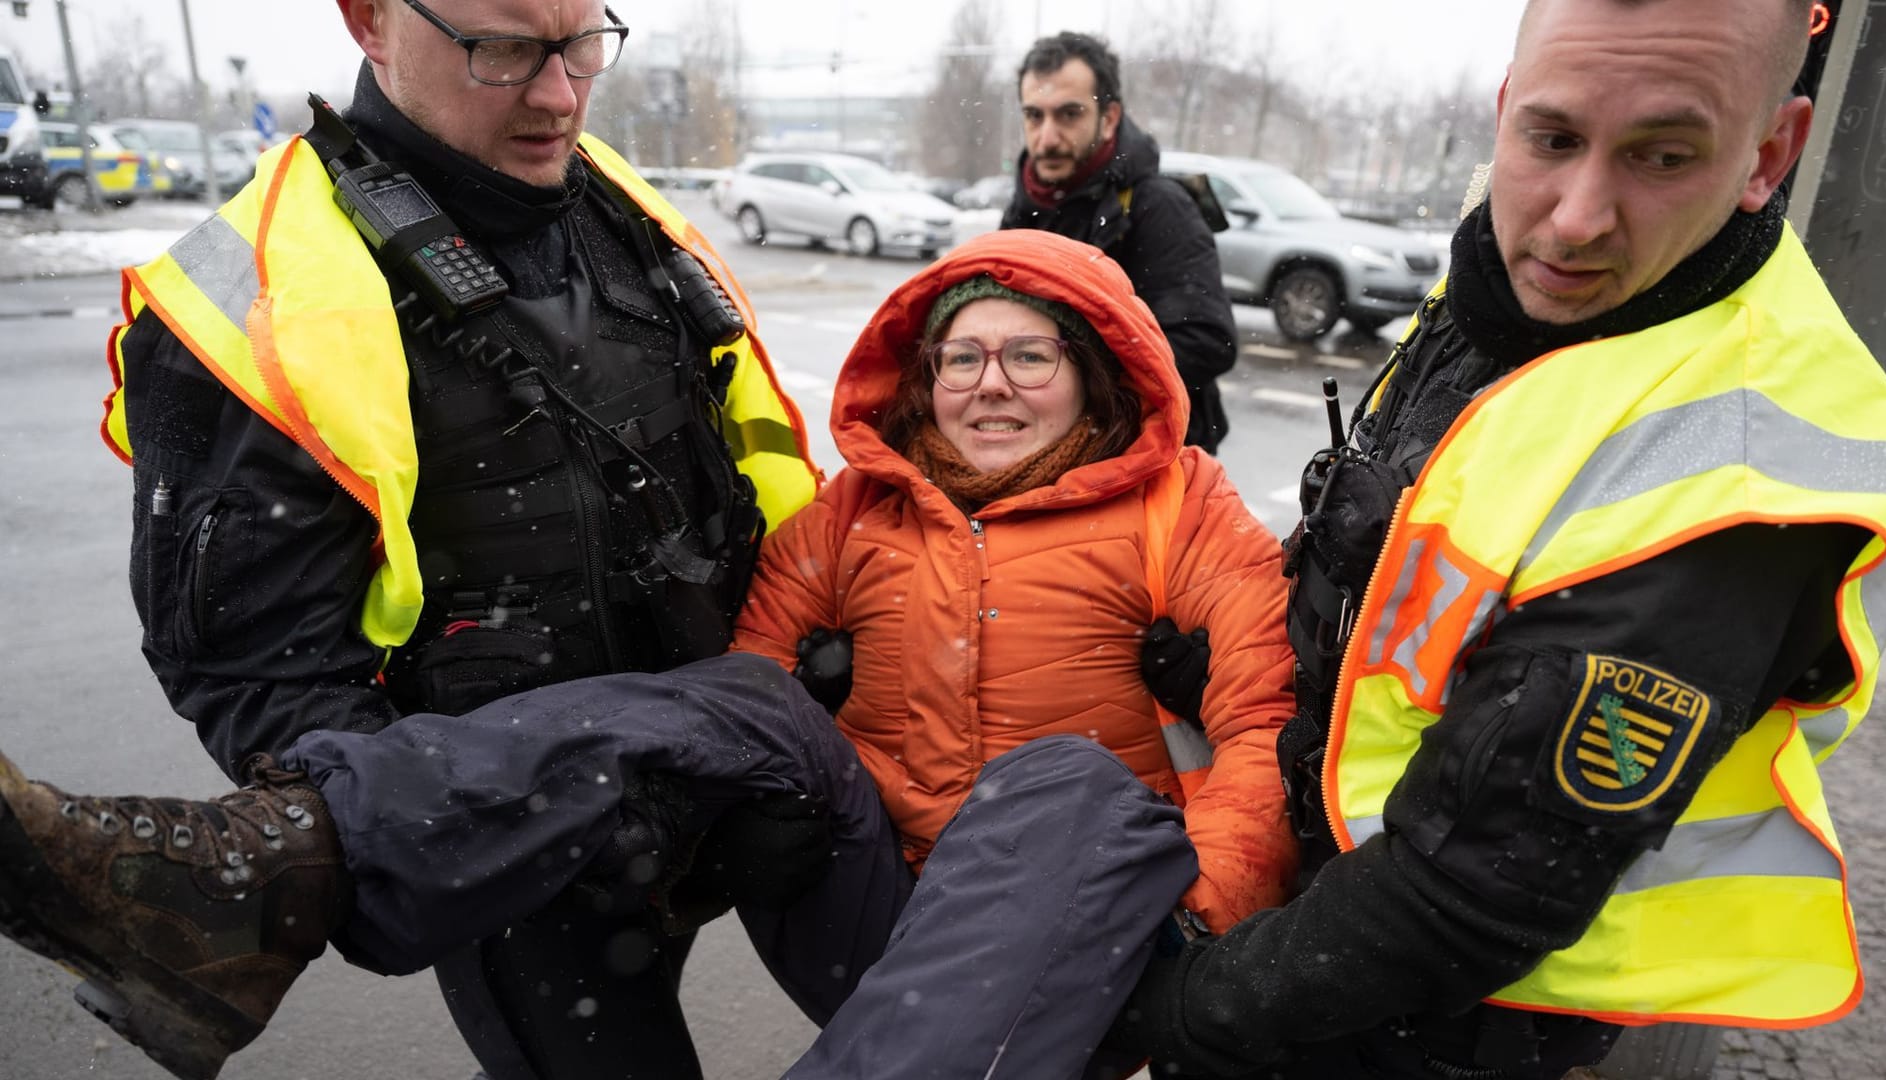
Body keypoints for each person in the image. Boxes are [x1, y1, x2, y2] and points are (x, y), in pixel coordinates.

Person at [0, 229, 1299, 1080]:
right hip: (878, 911)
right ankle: (279, 861)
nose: (993, 383)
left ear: (1094, 379)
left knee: (1065, 780)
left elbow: (1258, 730)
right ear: (925, 378)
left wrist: (1205, 928)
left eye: (1031, 356)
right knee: (746, 702)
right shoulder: (857, 512)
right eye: (964, 355)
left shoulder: (1183, 510)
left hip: (1081, 928)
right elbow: (739, 709)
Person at [1107, 1, 1886, 1077]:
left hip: (1447, 1019)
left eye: (1662, 154)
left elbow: (1477, 884)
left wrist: (1172, 1014)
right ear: (1503, 114)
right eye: (1551, 140)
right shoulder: (1522, 289)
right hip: (1335, 924)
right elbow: (1408, 575)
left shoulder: (1739, 463)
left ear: (1770, 153)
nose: (1577, 217)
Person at [97, 0, 820, 1077]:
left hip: (725, 763)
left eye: (582, 41)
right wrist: (526, 818)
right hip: (529, 868)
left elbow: (749, 474)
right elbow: (257, 676)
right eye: (504, 48)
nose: (559, 95)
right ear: (371, 21)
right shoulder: (261, 294)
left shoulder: (618, 202)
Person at [1003, 31, 1238, 455]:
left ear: (1109, 117)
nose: (1047, 137)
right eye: (1034, 116)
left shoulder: (1159, 206)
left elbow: (1206, 342)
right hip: (1056, 455)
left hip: (1150, 461)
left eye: (1069, 114)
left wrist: (1074, 382)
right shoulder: (1024, 208)